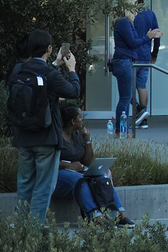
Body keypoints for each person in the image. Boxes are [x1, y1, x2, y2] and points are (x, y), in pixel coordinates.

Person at [11, 29, 81, 223]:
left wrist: (55, 64)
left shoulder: (18, 70)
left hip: (23, 137)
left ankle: (20, 227)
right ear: (49, 48)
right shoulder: (49, 74)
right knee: (43, 187)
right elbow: (74, 91)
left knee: (24, 184)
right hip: (46, 138)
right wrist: (72, 69)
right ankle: (34, 232)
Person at [54, 106, 132, 226]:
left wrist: (87, 140)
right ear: (73, 121)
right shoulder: (57, 136)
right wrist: (69, 165)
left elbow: (87, 161)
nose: (82, 120)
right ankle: (95, 216)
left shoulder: (77, 135)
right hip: (59, 173)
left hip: (78, 170)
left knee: (103, 177)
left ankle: (119, 214)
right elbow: (49, 162)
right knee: (81, 181)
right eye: (80, 117)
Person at [111, 0, 162, 133]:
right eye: (134, 7)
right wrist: (148, 37)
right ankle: (122, 130)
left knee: (127, 96)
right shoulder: (124, 22)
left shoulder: (125, 22)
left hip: (128, 61)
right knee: (126, 98)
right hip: (124, 61)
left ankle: (124, 128)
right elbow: (133, 42)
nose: (137, 10)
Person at [130, 0, 159, 129]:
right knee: (141, 86)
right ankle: (144, 117)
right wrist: (154, 54)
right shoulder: (150, 14)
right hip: (146, 56)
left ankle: (139, 111)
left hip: (133, 56)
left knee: (128, 87)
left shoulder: (131, 15)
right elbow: (157, 35)